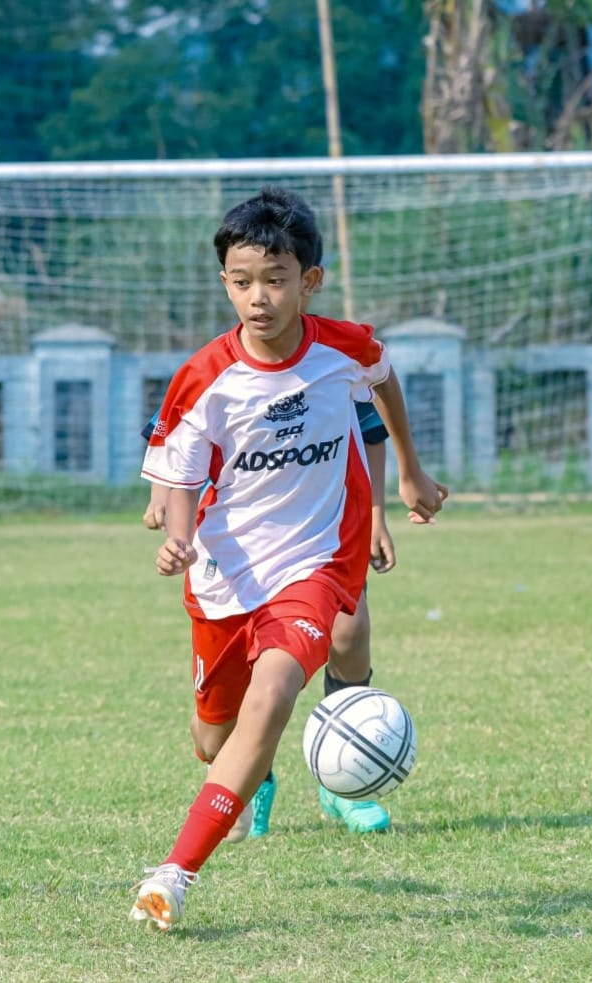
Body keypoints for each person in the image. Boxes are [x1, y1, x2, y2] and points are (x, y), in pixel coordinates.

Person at [133, 187, 447, 932]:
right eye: (242, 282)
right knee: (214, 737)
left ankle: (174, 873)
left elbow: (382, 383)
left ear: (310, 280)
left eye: (275, 280)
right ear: (224, 283)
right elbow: (180, 475)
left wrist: (409, 471)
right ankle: (251, 774)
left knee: (275, 692)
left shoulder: (344, 348)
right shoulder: (204, 377)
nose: (259, 297)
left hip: (316, 560)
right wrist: (178, 532)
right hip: (225, 574)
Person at [143, 402, 396, 836]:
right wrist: (160, 497)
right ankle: (252, 777)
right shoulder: (213, 375)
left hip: (321, 535)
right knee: (215, 731)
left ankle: (347, 781)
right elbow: (170, 431)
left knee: (349, 633)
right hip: (240, 547)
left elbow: (370, 431)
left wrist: (375, 516)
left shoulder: (329, 368)